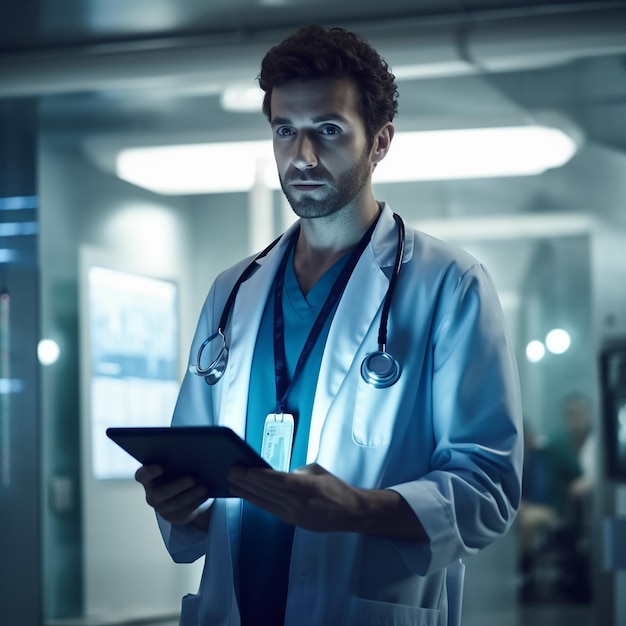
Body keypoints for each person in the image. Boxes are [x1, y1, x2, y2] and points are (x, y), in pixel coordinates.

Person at [135, 24, 523, 626]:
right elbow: (198, 479)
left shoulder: (449, 283)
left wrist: (358, 508)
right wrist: (179, 503)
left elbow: (489, 487)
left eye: (329, 130)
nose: (303, 156)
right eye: (285, 131)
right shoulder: (233, 291)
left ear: (381, 142)